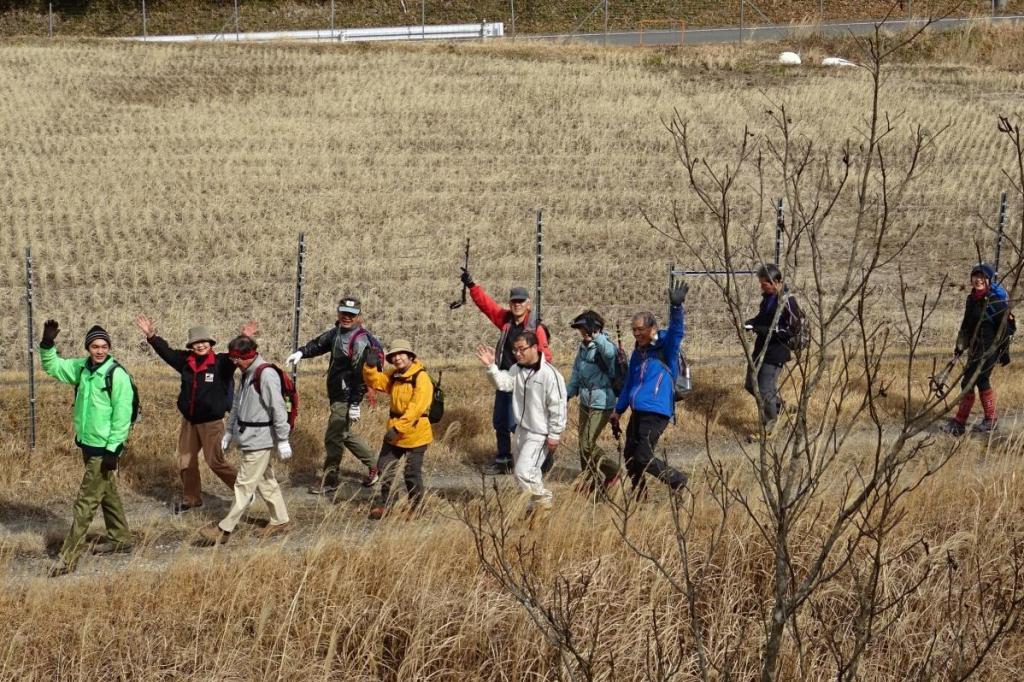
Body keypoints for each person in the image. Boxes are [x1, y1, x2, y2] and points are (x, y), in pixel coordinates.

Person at [39, 321, 134, 577]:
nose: (100, 350)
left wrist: (113, 450)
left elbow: (122, 416)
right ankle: (121, 538)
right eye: (95, 346)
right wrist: (48, 344)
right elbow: (54, 367)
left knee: (86, 501)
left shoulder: (117, 375)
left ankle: (68, 558)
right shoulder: (81, 368)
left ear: (109, 348)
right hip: (87, 444)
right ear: (88, 348)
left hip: (104, 449)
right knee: (106, 492)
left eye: (104, 346)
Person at [134, 316, 255, 513]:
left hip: (212, 423)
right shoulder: (185, 361)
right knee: (186, 461)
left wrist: (245, 337)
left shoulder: (221, 363)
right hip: (189, 421)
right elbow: (166, 353)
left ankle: (246, 491)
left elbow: (237, 353)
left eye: (204, 342)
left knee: (215, 462)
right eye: (196, 342)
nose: (200, 345)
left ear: (210, 343)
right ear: (191, 345)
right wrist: (152, 336)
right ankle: (192, 499)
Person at [199, 335, 292, 545]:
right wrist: (229, 432)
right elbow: (237, 406)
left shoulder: (266, 375)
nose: (234, 363)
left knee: (243, 485)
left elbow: (278, 409)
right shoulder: (247, 374)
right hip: (249, 437)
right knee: (266, 480)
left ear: (248, 356)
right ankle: (280, 520)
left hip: (260, 439)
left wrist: (283, 438)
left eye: (236, 359)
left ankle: (224, 529)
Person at [460, 267, 552, 476]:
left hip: (525, 381)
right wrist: (472, 286)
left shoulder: (536, 328)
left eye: (521, 301)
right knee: (500, 420)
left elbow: (547, 357)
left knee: (520, 422)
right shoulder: (506, 321)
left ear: (529, 304)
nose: (517, 305)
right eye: (514, 301)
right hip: (504, 377)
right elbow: (488, 306)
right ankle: (503, 459)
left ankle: (538, 457)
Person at [286, 296, 379, 494]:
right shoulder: (337, 332)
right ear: (338, 312)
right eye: (344, 313)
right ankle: (376, 465)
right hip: (337, 392)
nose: (347, 317)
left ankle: (330, 480)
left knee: (333, 437)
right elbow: (320, 344)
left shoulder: (360, 341)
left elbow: (360, 375)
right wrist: (302, 353)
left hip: (346, 396)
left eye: (351, 315)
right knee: (343, 434)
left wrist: (354, 403)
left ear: (359, 317)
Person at [476, 331, 567, 523]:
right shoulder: (517, 370)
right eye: (514, 350)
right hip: (521, 430)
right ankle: (534, 511)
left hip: (539, 433)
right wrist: (491, 367)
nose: (517, 353)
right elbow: (503, 384)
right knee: (526, 474)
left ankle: (544, 502)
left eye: (522, 349)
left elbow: (558, 405)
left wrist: (555, 433)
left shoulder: (550, 375)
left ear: (535, 348)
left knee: (523, 472)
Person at [610, 282, 690, 497]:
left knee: (643, 455)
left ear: (652, 329)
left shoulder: (666, 348)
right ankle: (639, 494)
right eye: (633, 330)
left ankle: (678, 480)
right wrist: (618, 410)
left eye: (640, 329)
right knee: (629, 455)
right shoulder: (638, 354)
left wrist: (676, 307)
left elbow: (676, 331)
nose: (636, 334)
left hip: (657, 411)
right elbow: (629, 384)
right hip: (638, 411)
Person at [361, 339, 433, 520]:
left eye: (401, 354)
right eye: (393, 356)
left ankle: (418, 508)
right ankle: (386, 504)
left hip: (416, 433)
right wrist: (370, 367)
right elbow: (377, 382)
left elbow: (416, 408)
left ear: (410, 356)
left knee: (411, 473)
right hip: (395, 432)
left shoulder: (421, 378)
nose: (397, 358)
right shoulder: (395, 375)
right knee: (385, 468)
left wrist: (398, 428)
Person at [941, 262, 1011, 435]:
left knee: (969, 382)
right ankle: (990, 420)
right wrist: (960, 346)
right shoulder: (971, 299)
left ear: (988, 280)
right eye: (975, 276)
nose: (978, 280)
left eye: (983, 277)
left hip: (989, 350)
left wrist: (1003, 351)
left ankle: (960, 424)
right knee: (979, 381)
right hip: (975, 349)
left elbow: (1009, 327)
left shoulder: (996, 301)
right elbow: (966, 325)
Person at [565, 310, 622, 494]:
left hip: (601, 402)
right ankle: (588, 480)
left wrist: (596, 336)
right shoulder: (583, 348)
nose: (583, 333)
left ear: (595, 328)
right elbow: (576, 374)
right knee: (583, 443)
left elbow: (610, 354)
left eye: (585, 329)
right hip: (585, 401)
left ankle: (613, 471)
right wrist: (566, 395)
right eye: (581, 329)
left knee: (588, 443)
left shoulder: (604, 345)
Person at [743, 263, 800, 441]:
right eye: (761, 283)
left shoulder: (788, 301)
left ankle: (768, 428)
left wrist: (763, 330)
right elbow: (763, 319)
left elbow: (790, 330)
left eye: (764, 284)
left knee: (765, 389)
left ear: (776, 282)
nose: (761, 287)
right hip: (761, 350)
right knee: (751, 385)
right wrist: (752, 322)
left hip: (776, 352)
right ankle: (781, 409)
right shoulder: (768, 298)